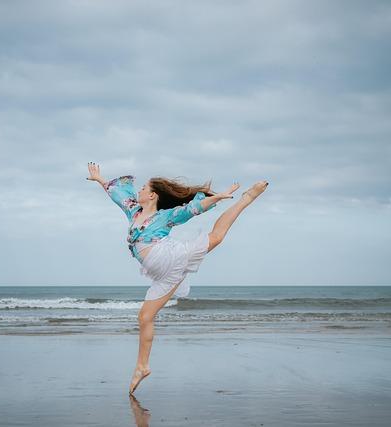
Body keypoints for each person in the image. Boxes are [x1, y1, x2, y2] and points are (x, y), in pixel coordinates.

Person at [86, 162, 269, 394]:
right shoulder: (133, 210)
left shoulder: (166, 216)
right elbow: (116, 194)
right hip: (161, 276)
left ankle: (247, 198)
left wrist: (219, 197)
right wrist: (100, 179)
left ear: (152, 195)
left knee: (216, 237)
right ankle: (142, 366)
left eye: (143, 187)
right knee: (144, 317)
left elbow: (193, 209)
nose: (138, 190)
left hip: (172, 258)